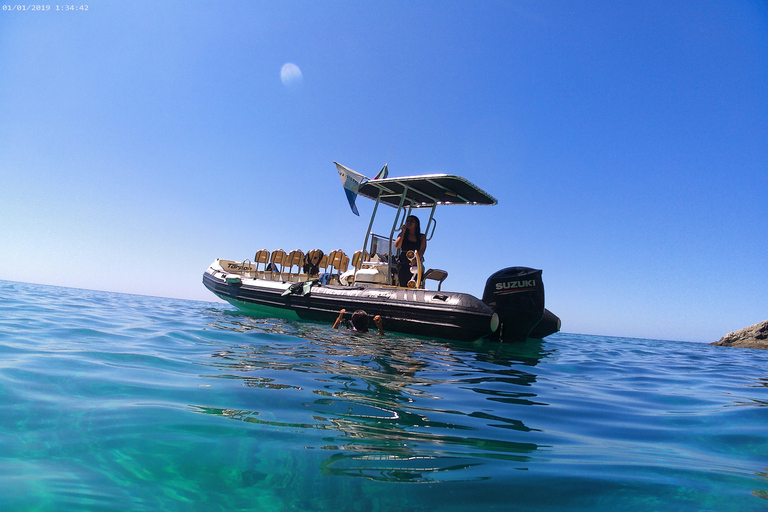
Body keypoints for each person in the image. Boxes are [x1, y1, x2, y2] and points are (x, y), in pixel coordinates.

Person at [393, 215, 427, 287]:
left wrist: (416, 260)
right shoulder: (403, 235)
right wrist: (403, 232)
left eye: (411, 221)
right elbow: (397, 245)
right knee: (403, 283)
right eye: (407, 221)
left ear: (416, 224)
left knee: (414, 283)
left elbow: (422, 250)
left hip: (416, 263)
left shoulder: (421, 237)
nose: (409, 222)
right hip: (403, 263)